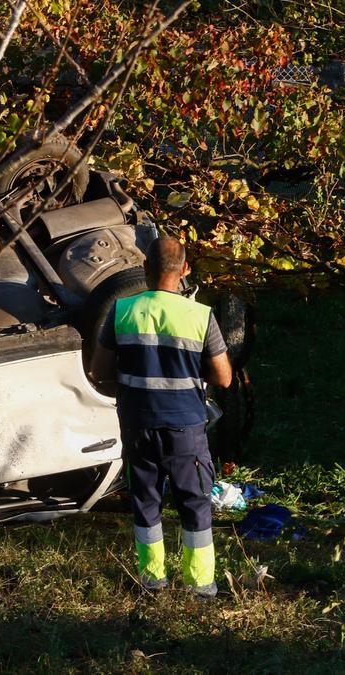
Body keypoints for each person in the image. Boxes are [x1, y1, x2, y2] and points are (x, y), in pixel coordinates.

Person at [89, 236, 233, 597]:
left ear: (145, 269)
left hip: (137, 423)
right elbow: (224, 377)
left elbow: (99, 370)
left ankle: (152, 580)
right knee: (194, 503)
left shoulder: (122, 311)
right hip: (185, 427)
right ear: (185, 270)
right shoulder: (200, 316)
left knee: (145, 500)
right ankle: (200, 586)